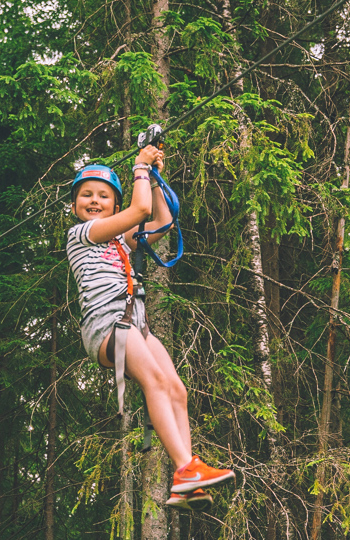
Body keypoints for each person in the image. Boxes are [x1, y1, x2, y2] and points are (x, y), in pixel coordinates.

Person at [66, 146, 234, 512]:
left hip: (133, 322)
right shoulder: (83, 234)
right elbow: (139, 211)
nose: (94, 201)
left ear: (114, 204)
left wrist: (154, 180)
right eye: (86, 195)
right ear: (76, 204)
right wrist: (140, 166)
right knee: (155, 382)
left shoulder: (120, 241)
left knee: (177, 389)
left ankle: (186, 481)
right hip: (106, 324)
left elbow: (161, 221)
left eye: (103, 196)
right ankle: (187, 470)